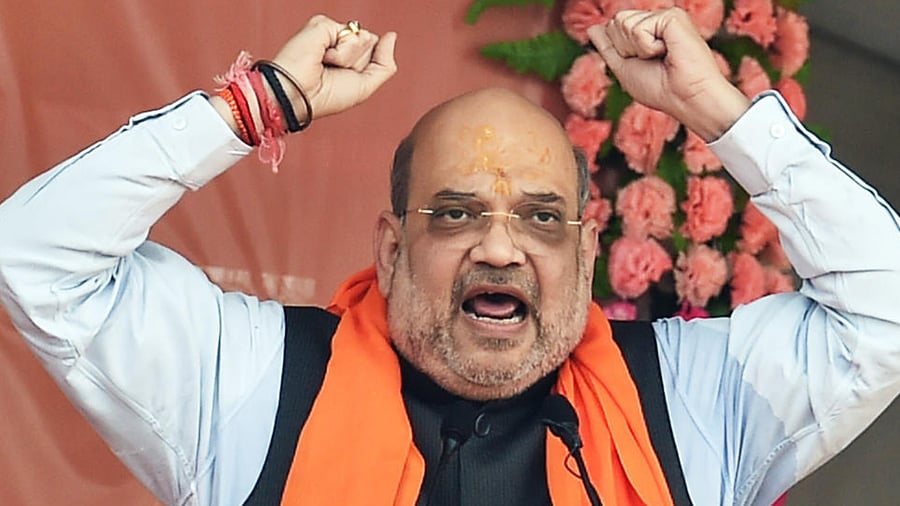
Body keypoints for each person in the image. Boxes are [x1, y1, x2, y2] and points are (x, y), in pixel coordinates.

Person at [1, 8, 898, 506]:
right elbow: (36, 256)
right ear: (392, 250)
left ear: (588, 250)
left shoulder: (692, 401)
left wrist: (719, 111)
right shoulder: (252, 382)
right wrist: (255, 104)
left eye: (543, 218)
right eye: (457, 212)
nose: (500, 246)